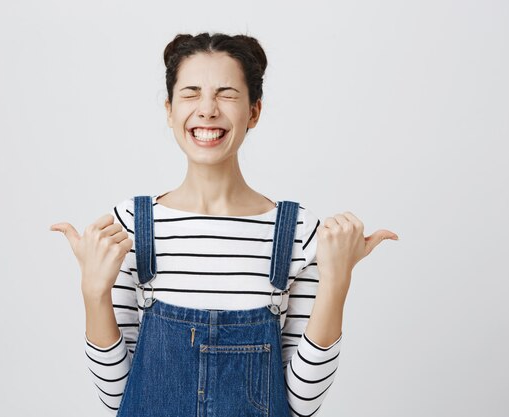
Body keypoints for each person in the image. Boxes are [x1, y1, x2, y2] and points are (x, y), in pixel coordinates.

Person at [51, 32, 398, 417]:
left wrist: (337, 282)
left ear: (254, 111)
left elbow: (301, 405)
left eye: (227, 94)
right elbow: (117, 398)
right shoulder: (129, 226)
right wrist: (93, 293)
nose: (207, 109)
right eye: (191, 93)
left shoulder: (299, 232)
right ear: (169, 110)